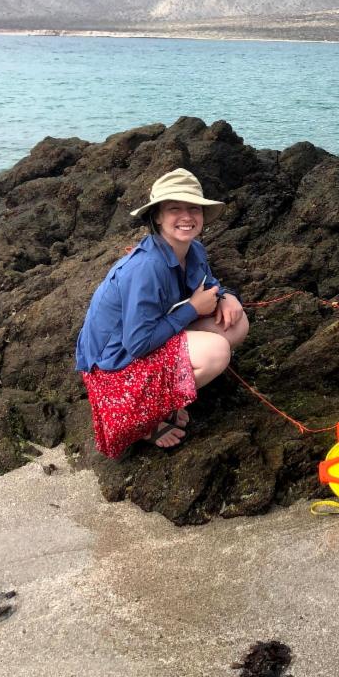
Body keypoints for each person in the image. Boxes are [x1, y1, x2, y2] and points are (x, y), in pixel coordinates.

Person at [75, 168, 250, 460]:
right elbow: (137, 344)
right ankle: (147, 419)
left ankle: (169, 393)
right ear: (157, 216)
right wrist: (193, 309)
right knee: (216, 352)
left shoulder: (193, 250)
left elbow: (208, 284)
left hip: (148, 338)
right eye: (174, 209)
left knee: (236, 323)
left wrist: (227, 296)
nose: (186, 216)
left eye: (194, 208)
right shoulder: (147, 267)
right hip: (114, 367)